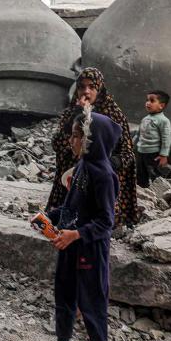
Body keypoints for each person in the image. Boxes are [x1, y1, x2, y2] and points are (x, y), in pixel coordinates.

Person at [36, 109, 120, 341]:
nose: (71, 141)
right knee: (65, 293)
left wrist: (76, 234)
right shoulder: (82, 167)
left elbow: (106, 222)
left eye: (76, 135)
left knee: (91, 301)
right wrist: (50, 217)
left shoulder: (104, 175)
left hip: (90, 249)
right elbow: (72, 206)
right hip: (70, 244)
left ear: (91, 140)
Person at [47, 67, 137, 228]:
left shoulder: (113, 114)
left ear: (100, 88)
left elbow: (127, 154)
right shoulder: (70, 113)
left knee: (94, 223)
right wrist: (77, 114)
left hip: (98, 182)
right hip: (72, 178)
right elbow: (58, 144)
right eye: (82, 87)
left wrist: (101, 166)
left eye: (92, 87)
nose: (86, 92)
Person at [134, 90, 171, 188]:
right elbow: (139, 134)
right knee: (141, 172)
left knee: (155, 173)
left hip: (153, 153)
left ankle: (160, 189)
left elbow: (166, 138)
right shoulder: (145, 119)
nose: (148, 103)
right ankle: (143, 188)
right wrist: (132, 142)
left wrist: (164, 155)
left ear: (161, 106)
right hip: (141, 151)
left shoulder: (163, 120)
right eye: (147, 100)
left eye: (152, 100)